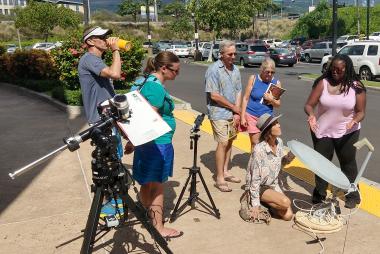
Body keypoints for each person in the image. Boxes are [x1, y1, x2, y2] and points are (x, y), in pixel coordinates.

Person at [304, 54, 366, 209]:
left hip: (348, 132)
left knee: (348, 163)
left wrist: (355, 120)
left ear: (348, 69)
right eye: (333, 69)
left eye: (340, 69)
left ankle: (352, 193)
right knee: (321, 164)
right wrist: (311, 115)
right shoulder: (322, 83)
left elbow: (361, 112)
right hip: (322, 130)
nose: (335, 72)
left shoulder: (356, 86)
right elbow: (309, 105)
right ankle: (319, 193)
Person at [132, 51, 183, 238]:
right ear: (164, 68)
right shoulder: (157, 88)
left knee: (146, 181)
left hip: (145, 142)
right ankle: (158, 227)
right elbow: (148, 118)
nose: (177, 75)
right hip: (157, 143)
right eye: (175, 71)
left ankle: (148, 214)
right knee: (158, 186)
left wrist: (132, 141)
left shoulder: (141, 81)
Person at [205, 40, 242, 192]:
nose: (233, 56)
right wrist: (234, 107)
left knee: (230, 141)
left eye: (234, 54)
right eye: (230, 54)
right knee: (223, 143)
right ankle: (219, 177)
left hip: (233, 112)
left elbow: (239, 90)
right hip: (218, 113)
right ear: (221, 54)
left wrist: (237, 112)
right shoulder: (213, 70)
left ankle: (226, 171)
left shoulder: (236, 70)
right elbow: (214, 95)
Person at [245, 113, 294, 221]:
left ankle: (268, 204)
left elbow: (280, 164)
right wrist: (255, 204)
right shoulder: (259, 150)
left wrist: (289, 158)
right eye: (275, 124)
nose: (279, 125)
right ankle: (260, 201)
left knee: (288, 216)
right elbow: (255, 179)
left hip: (273, 184)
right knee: (286, 202)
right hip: (260, 187)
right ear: (268, 131)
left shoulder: (279, 142)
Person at [78, 26, 121, 125]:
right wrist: (115, 50)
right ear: (90, 41)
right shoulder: (89, 59)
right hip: (100, 121)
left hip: (108, 117)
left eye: (106, 37)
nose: (106, 40)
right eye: (102, 37)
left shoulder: (97, 60)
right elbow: (115, 74)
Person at [240, 58, 281, 151]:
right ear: (262, 70)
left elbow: (278, 104)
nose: (270, 74)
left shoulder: (276, 83)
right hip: (252, 115)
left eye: (272, 72)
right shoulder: (253, 79)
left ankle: (264, 164)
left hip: (267, 118)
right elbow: (245, 98)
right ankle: (254, 164)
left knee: (267, 143)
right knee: (255, 143)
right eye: (267, 72)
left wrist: (271, 100)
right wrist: (242, 117)